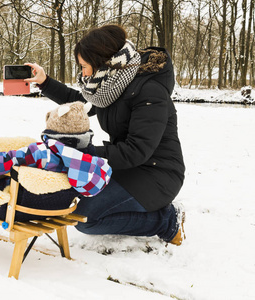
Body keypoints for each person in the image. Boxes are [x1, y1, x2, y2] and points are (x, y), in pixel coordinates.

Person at [24, 24, 186, 245]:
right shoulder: (112, 85)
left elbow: (137, 151)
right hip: (127, 167)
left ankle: (166, 220)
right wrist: (45, 83)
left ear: (102, 62)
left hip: (158, 174)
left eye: (84, 66)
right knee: (75, 198)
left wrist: (84, 153)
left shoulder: (149, 90)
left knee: (85, 219)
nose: (83, 73)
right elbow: (81, 104)